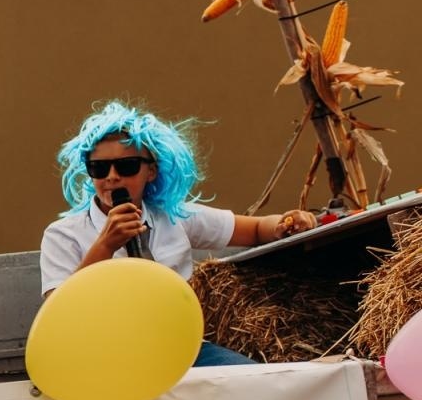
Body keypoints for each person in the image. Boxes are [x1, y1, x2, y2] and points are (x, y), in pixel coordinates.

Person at [40, 101, 319, 366]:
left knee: (254, 380)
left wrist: (286, 223)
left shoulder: (175, 217)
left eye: (127, 166)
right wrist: (105, 245)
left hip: (179, 348)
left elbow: (256, 229)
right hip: (106, 356)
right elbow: (59, 315)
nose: (112, 176)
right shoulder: (63, 235)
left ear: (151, 171)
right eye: (99, 168)